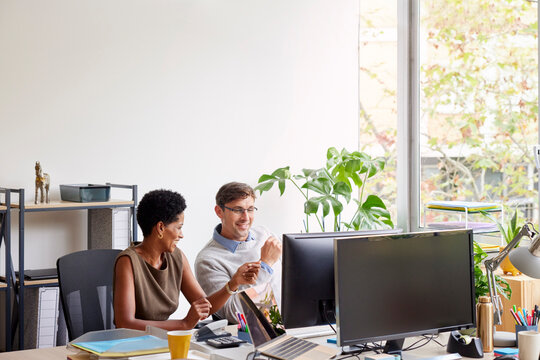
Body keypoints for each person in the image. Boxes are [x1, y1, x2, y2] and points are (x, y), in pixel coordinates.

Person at [113, 189, 260, 331]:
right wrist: (183, 324)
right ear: (160, 228)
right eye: (178, 227)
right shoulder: (128, 261)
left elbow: (205, 307)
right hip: (132, 344)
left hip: (165, 340)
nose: (181, 235)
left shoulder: (177, 257)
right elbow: (124, 323)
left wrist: (233, 283)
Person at [195, 182, 282, 324]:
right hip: (258, 336)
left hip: (297, 326)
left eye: (250, 209)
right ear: (219, 211)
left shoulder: (265, 234)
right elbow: (235, 315)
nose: (246, 217)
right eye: (238, 210)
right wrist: (266, 265)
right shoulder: (208, 260)